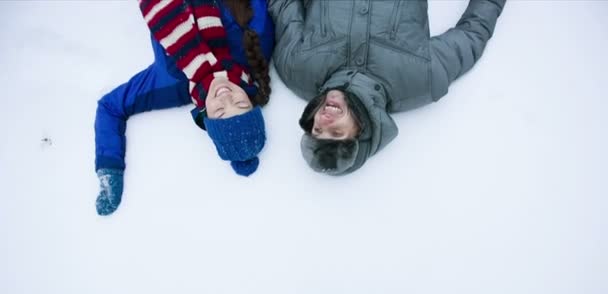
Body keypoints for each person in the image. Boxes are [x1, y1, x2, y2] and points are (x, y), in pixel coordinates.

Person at [268, 0, 506, 175]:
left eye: (317, 130)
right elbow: (473, 33)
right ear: (360, 131)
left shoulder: (296, 68)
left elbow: (284, 5)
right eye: (337, 132)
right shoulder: (421, 79)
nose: (323, 122)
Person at [94, 0, 274, 215]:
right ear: (251, 99)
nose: (226, 96)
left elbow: (111, 107)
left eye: (220, 111)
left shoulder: (170, 84)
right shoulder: (255, 45)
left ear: (207, 117)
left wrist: (109, 168)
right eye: (240, 103)